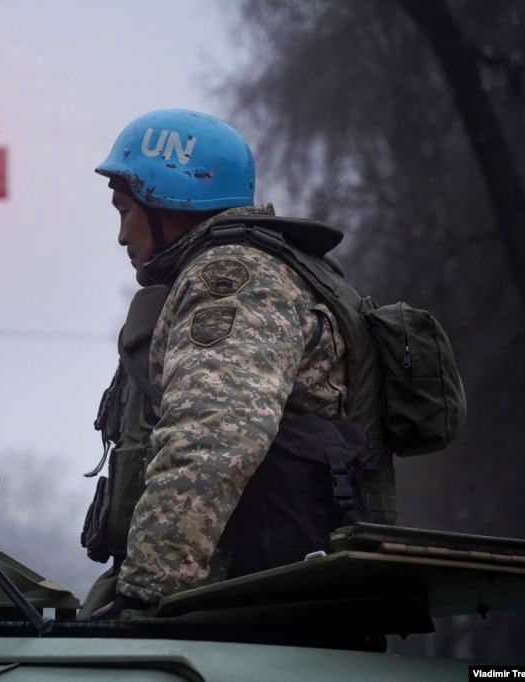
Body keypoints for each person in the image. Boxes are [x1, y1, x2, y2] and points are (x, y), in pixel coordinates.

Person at [79, 109, 372, 619]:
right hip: (240, 599)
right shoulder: (235, 272)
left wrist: (147, 590)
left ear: (165, 201)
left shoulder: (235, 279)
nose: (122, 236)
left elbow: (214, 435)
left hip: (244, 605)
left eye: (124, 210)